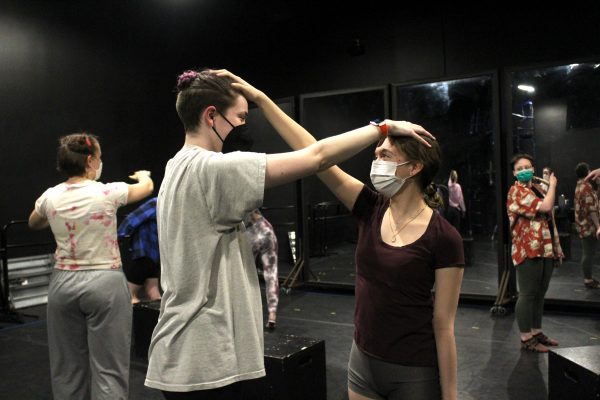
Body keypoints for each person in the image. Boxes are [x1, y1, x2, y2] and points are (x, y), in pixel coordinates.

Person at [144, 68, 433, 399]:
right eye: (239, 117)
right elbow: (317, 157)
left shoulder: (178, 165)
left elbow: (315, 155)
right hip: (206, 361)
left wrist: (261, 99)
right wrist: (382, 127)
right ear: (211, 115)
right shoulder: (215, 169)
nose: (242, 125)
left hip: (187, 354)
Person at [221, 73, 464, 400]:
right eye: (376, 154)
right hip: (362, 364)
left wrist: (450, 395)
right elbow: (313, 151)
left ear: (414, 167)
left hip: (414, 371)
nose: (376, 161)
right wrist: (262, 100)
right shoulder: (370, 207)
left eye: (385, 155)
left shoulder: (444, 238)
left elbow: (443, 325)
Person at [28, 132, 153, 400]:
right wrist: (143, 175)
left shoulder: (50, 196)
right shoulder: (108, 191)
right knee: (109, 369)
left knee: (67, 369)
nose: (100, 162)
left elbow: (33, 223)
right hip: (104, 282)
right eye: (99, 157)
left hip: (63, 284)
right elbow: (147, 188)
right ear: (89, 161)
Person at [506, 153, 563, 354]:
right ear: (514, 173)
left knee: (540, 294)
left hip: (545, 247)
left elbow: (549, 217)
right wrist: (553, 185)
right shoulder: (516, 192)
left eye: (527, 167)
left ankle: (536, 332)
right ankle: (526, 337)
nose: (524, 171)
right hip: (527, 248)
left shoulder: (537, 189)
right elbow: (546, 206)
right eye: (519, 168)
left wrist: (556, 248)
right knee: (528, 294)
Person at [117, 196, 162, 303]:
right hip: (145, 247)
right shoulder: (157, 202)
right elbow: (132, 218)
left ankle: (156, 305)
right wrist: (121, 235)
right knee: (131, 293)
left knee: (153, 289)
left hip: (155, 250)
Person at [244, 209, 279, 330]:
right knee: (271, 274)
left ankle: (248, 312)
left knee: (247, 274)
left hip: (250, 232)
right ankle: (272, 315)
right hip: (266, 228)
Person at [574, 162, 600, 288]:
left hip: (583, 225)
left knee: (588, 252)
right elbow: (591, 209)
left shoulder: (580, 186)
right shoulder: (586, 187)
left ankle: (588, 277)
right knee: (588, 253)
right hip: (588, 226)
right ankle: (588, 279)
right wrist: (598, 226)